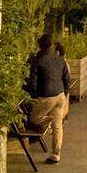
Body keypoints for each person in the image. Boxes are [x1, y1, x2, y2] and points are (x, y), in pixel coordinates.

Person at [27, 35, 69, 164]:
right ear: (51, 45)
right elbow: (66, 78)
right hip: (60, 95)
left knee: (33, 119)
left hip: (46, 96)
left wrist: (33, 97)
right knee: (58, 126)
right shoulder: (60, 60)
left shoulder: (36, 60)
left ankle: (47, 121)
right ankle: (56, 155)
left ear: (39, 45)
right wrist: (65, 93)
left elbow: (32, 82)